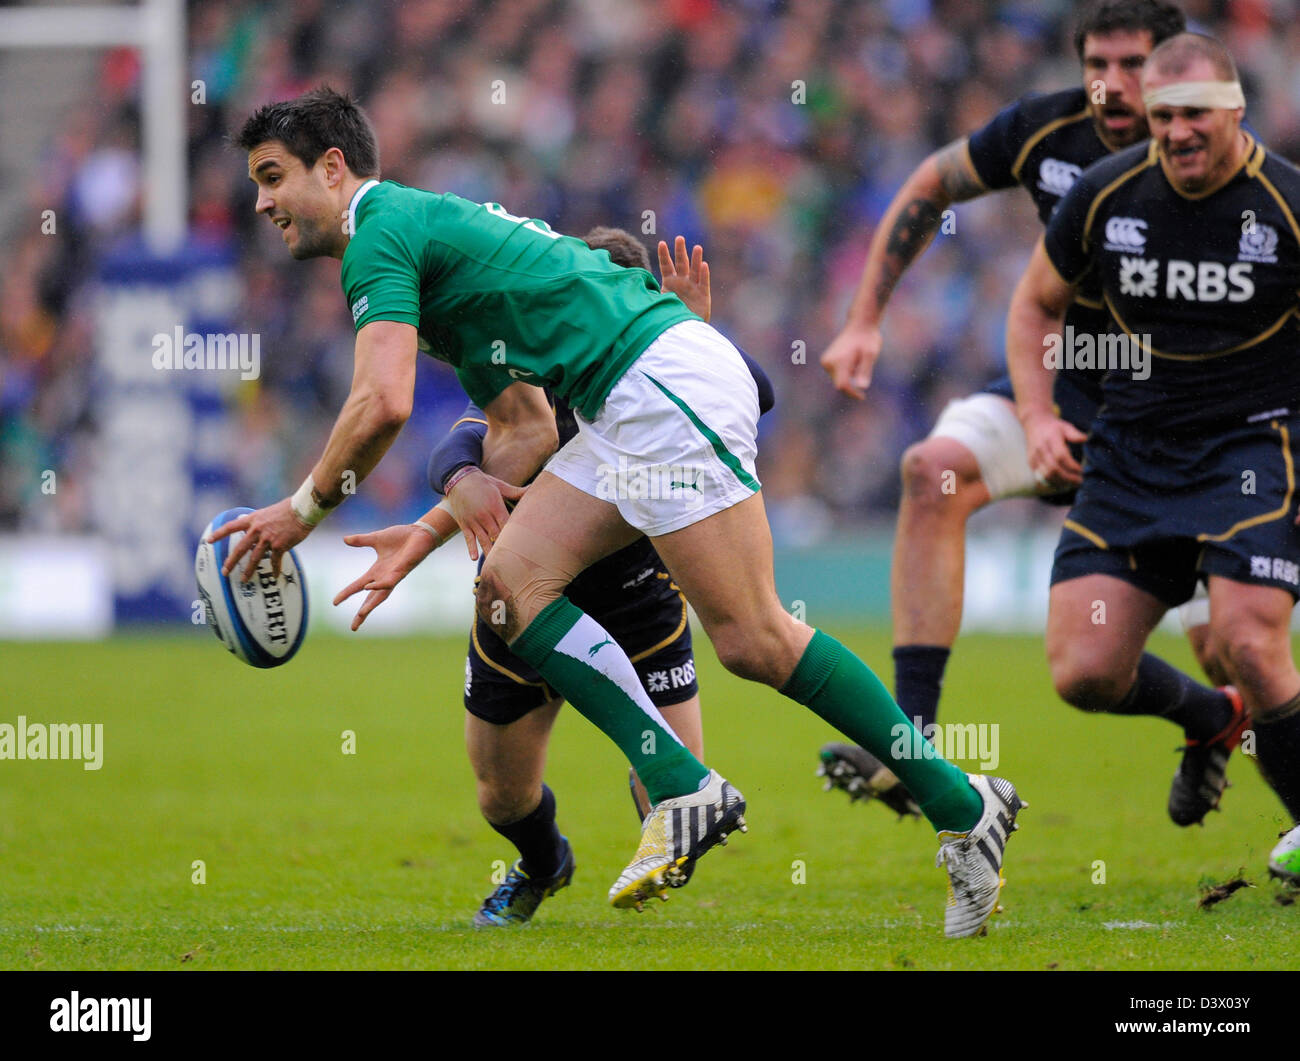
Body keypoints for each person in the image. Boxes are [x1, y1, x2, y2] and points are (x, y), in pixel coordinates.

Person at [214, 87, 1024, 937]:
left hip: (657, 383)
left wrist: (299, 512)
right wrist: (427, 529)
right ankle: (692, 788)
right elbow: (523, 429)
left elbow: (382, 400)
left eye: (273, 177)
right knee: (512, 584)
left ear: (334, 169)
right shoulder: (428, 244)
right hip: (628, 398)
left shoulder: (378, 233)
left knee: (755, 638)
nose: (262, 202)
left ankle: (958, 803)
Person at [816, 0, 1208, 821]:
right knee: (931, 470)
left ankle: (1222, 731)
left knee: (1224, 640)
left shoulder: (1211, 154)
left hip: (1183, 415)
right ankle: (912, 740)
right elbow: (934, 182)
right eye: (1097, 64)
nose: (1110, 84)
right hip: (1062, 387)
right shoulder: (1044, 130)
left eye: (1132, 65)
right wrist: (863, 319)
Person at [334, 228, 774, 925]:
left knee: (675, 790)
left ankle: (667, 815)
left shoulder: (656, 377)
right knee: (500, 797)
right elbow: (467, 433)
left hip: (635, 602)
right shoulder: (536, 365)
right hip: (520, 603)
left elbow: (757, 388)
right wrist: (459, 477)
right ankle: (544, 864)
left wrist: (691, 334)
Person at [1006, 31, 1300, 877]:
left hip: (1252, 447)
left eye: (1197, 114)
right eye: (1165, 115)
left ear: (1237, 112)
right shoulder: (1105, 195)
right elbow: (1034, 307)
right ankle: (1210, 716)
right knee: (1084, 670)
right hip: (1131, 458)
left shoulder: (1285, 206)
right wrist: (1035, 417)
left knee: (1248, 634)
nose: (1177, 131)